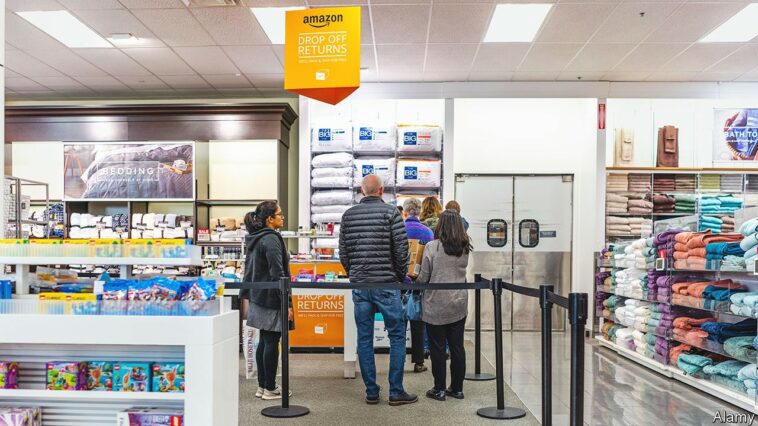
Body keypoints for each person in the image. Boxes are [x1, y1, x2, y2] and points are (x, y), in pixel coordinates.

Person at [339, 175, 418, 406]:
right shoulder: (392, 213)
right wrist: (397, 277)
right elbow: (402, 250)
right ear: (381, 190)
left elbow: (343, 252)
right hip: (387, 285)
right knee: (396, 337)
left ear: (362, 191)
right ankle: (396, 391)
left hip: (361, 286)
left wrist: (353, 274)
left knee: (364, 338)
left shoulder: (348, 215)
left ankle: (371, 391)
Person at [239, 200, 293, 401]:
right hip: (271, 297)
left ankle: (263, 386)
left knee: (265, 340)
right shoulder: (271, 238)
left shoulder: (256, 237)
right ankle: (270, 387)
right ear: (270, 219)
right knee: (271, 340)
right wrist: (286, 303)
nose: (283, 217)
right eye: (280, 214)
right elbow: (277, 272)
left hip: (259, 296)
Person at [416, 210, 472, 401]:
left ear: (441, 226)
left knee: (437, 347)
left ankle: (439, 389)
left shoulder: (432, 247)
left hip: (435, 305)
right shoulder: (465, 247)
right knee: (457, 347)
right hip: (458, 302)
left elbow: (423, 277)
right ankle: (457, 388)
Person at [401, 198, 433, 373]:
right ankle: (419, 361)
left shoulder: (398, 230)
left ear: (405, 212)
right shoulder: (428, 232)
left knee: (398, 322)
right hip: (420, 282)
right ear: (419, 212)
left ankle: (397, 359)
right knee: (418, 321)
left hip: (399, 282)